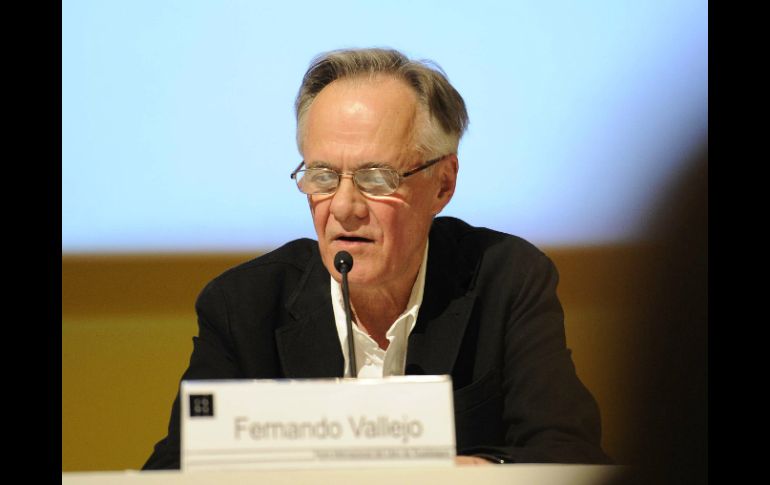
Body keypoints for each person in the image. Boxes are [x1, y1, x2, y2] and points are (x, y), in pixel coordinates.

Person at [143, 47, 611, 468]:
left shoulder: (506, 281)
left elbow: (570, 455)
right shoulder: (243, 305)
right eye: (323, 176)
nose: (344, 207)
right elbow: (173, 471)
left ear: (443, 183)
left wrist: (470, 475)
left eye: (376, 177)